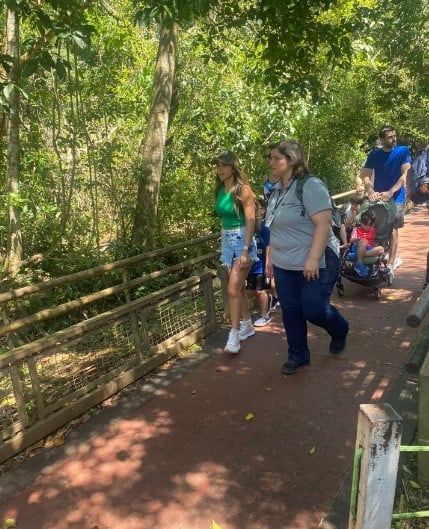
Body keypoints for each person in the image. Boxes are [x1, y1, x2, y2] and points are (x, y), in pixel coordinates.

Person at [265, 139, 349, 375]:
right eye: (269, 158)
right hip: (284, 263)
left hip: (316, 261)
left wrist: (312, 259)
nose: (270, 162)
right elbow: (274, 228)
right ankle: (298, 355)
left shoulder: (310, 186)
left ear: (290, 160)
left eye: (275, 158)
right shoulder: (276, 192)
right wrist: (270, 259)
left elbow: (323, 224)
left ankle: (340, 328)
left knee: (313, 310)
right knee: (290, 310)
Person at [213, 150, 258, 354]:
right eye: (217, 165)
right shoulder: (220, 189)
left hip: (242, 240)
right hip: (226, 240)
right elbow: (223, 216)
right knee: (238, 288)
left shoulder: (243, 190)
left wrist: (246, 250)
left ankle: (234, 334)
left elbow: (250, 219)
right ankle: (247, 323)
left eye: (224, 165)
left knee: (232, 289)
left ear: (233, 167)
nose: (220, 169)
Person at [360, 126, 412, 280]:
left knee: (393, 229)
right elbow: (366, 177)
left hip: (396, 198)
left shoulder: (403, 151)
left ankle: (390, 264)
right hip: (377, 199)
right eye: (390, 137)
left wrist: (391, 191)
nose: (394, 139)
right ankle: (375, 259)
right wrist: (371, 191)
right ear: (382, 140)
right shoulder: (374, 155)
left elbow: (405, 174)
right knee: (374, 227)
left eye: (395, 136)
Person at [245, 200, 278, 327]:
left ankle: (265, 315)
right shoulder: (246, 226)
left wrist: (268, 264)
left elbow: (269, 246)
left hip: (260, 263)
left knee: (260, 291)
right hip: (249, 264)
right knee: (249, 291)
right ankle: (270, 298)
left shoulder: (263, 227)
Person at [347, 209, 385, 277]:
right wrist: (359, 239)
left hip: (369, 249)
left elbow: (373, 242)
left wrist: (376, 248)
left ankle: (358, 255)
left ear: (372, 224)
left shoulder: (373, 230)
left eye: (367, 225)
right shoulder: (356, 230)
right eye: (363, 224)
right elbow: (351, 241)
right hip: (358, 246)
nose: (365, 226)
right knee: (363, 241)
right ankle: (359, 263)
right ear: (361, 222)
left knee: (381, 248)